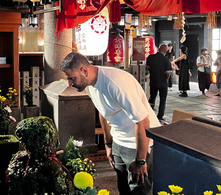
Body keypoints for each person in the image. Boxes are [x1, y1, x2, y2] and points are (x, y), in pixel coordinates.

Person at [60, 52, 160, 195]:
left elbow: (143, 121)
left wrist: (141, 161)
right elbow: (103, 112)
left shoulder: (115, 83)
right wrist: (108, 145)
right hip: (119, 142)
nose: (70, 83)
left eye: (72, 78)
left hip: (137, 143)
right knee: (123, 189)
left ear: (84, 70)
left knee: (139, 191)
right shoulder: (90, 84)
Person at [146, 43, 172, 121]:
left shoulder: (150, 57)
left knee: (152, 98)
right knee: (162, 100)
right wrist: (166, 79)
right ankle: (160, 116)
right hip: (163, 83)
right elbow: (168, 74)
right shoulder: (166, 60)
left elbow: (147, 68)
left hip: (153, 81)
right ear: (166, 51)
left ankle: (149, 113)